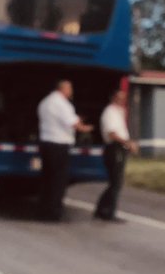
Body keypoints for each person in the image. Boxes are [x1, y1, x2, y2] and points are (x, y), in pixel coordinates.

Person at [37, 80, 91, 222]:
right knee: (58, 181)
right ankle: (54, 212)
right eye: (70, 88)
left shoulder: (45, 102)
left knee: (47, 178)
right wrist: (85, 128)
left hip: (46, 143)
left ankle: (43, 210)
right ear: (64, 89)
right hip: (59, 145)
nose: (71, 91)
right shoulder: (62, 104)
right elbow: (73, 123)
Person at [94, 89, 137, 223]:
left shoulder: (118, 112)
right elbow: (112, 133)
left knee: (115, 183)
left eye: (124, 98)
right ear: (113, 98)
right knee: (116, 182)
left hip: (119, 148)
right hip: (115, 148)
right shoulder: (110, 112)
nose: (123, 100)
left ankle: (102, 209)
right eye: (120, 98)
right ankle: (107, 212)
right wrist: (128, 143)